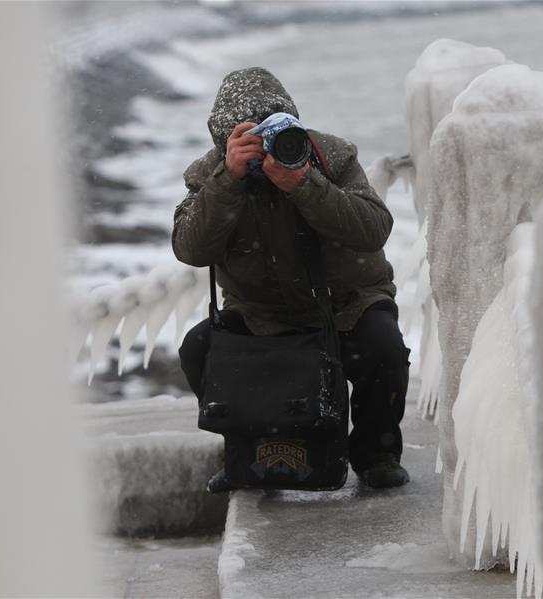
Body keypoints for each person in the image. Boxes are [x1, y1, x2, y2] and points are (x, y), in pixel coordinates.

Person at [174, 67, 411, 490]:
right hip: (261, 314)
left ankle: (376, 452)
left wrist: (303, 184)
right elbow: (190, 249)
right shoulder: (210, 174)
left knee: (384, 349)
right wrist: (228, 180)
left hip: (345, 306)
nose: (265, 148)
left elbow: (374, 228)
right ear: (225, 139)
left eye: (272, 132)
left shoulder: (328, 156)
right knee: (198, 349)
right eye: (251, 137)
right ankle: (249, 449)